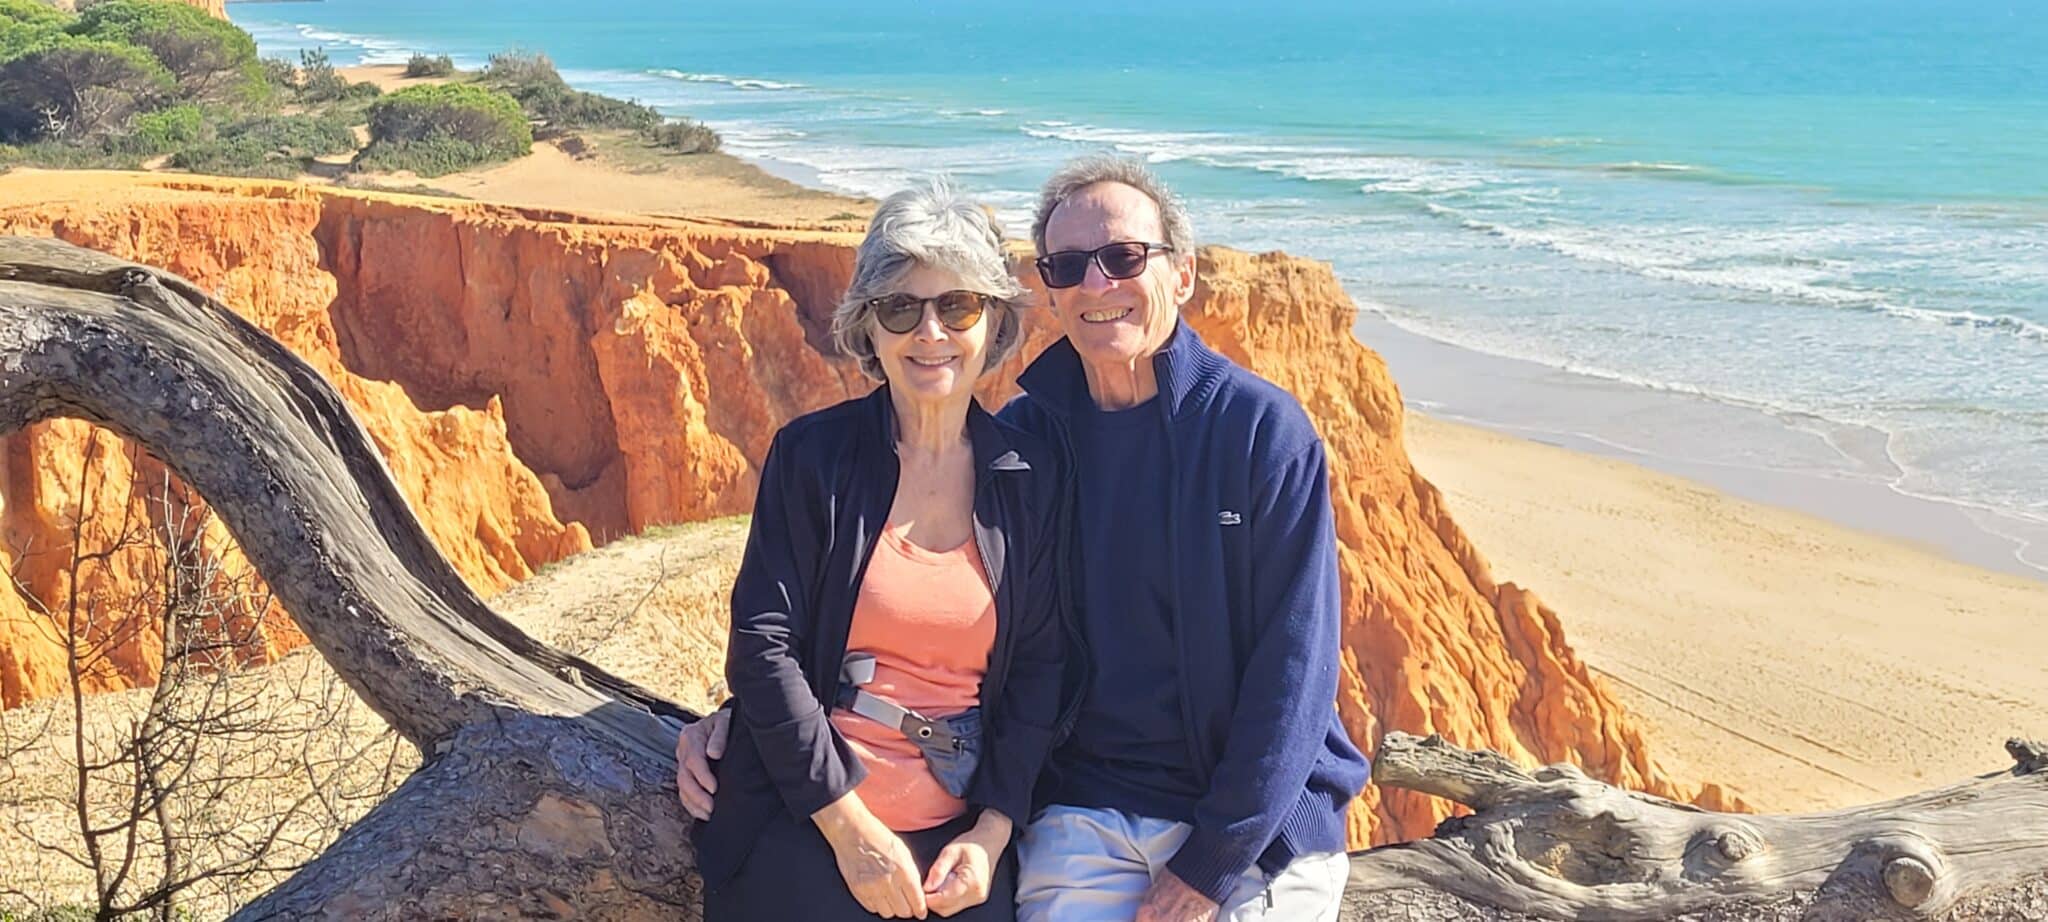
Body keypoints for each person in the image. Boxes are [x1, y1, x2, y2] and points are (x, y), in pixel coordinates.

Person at [679, 155, 1368, 922]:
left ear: (1183, 274)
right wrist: (745, 723)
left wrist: (1207, 867)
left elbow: (1293, 674)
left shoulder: (1255, 435)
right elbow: (794, 633)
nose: (1096, 284)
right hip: (1087, 810)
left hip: (1247, 829)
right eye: (1068, 266)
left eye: (1123, 257)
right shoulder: (1031, 444)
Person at [683, 180, 1068, 921]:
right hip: (809, 822)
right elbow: (763, 648)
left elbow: (1041, 670)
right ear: (869, 325)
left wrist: (991, 835)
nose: (930, 332)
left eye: (958, 306)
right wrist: (850, 831)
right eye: (900, 308)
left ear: (994, 321)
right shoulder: (812, 457)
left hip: (961, 846)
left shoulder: (1030, 477)